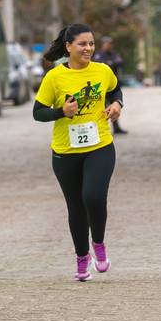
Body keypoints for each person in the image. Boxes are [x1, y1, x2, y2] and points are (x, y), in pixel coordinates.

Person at [33, 24, 124, 281]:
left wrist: (117, 104)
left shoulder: (103, 70)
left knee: (93, 197)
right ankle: (82, 258)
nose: (88, 48)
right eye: (82, 44)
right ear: (68, 46)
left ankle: (99, 244)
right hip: (65, 152)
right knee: (75, 206)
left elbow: (115, 90)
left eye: (91, 44)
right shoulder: (54, 77)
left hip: (100, 146)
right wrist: (61, 112)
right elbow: (38, 113)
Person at [93, 36, 127, 134]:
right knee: (101, 108)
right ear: (103, 44)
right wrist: (111, 63)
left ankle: (116, 128)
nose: (109, 46)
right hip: (101, 85)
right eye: (107, 44)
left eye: (110, 44)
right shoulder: (98, 55)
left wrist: (111, 63)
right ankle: (99, 129)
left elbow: (120, 62)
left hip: (112, 84)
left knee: (114, 106)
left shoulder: (114, 54)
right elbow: (99, 64)